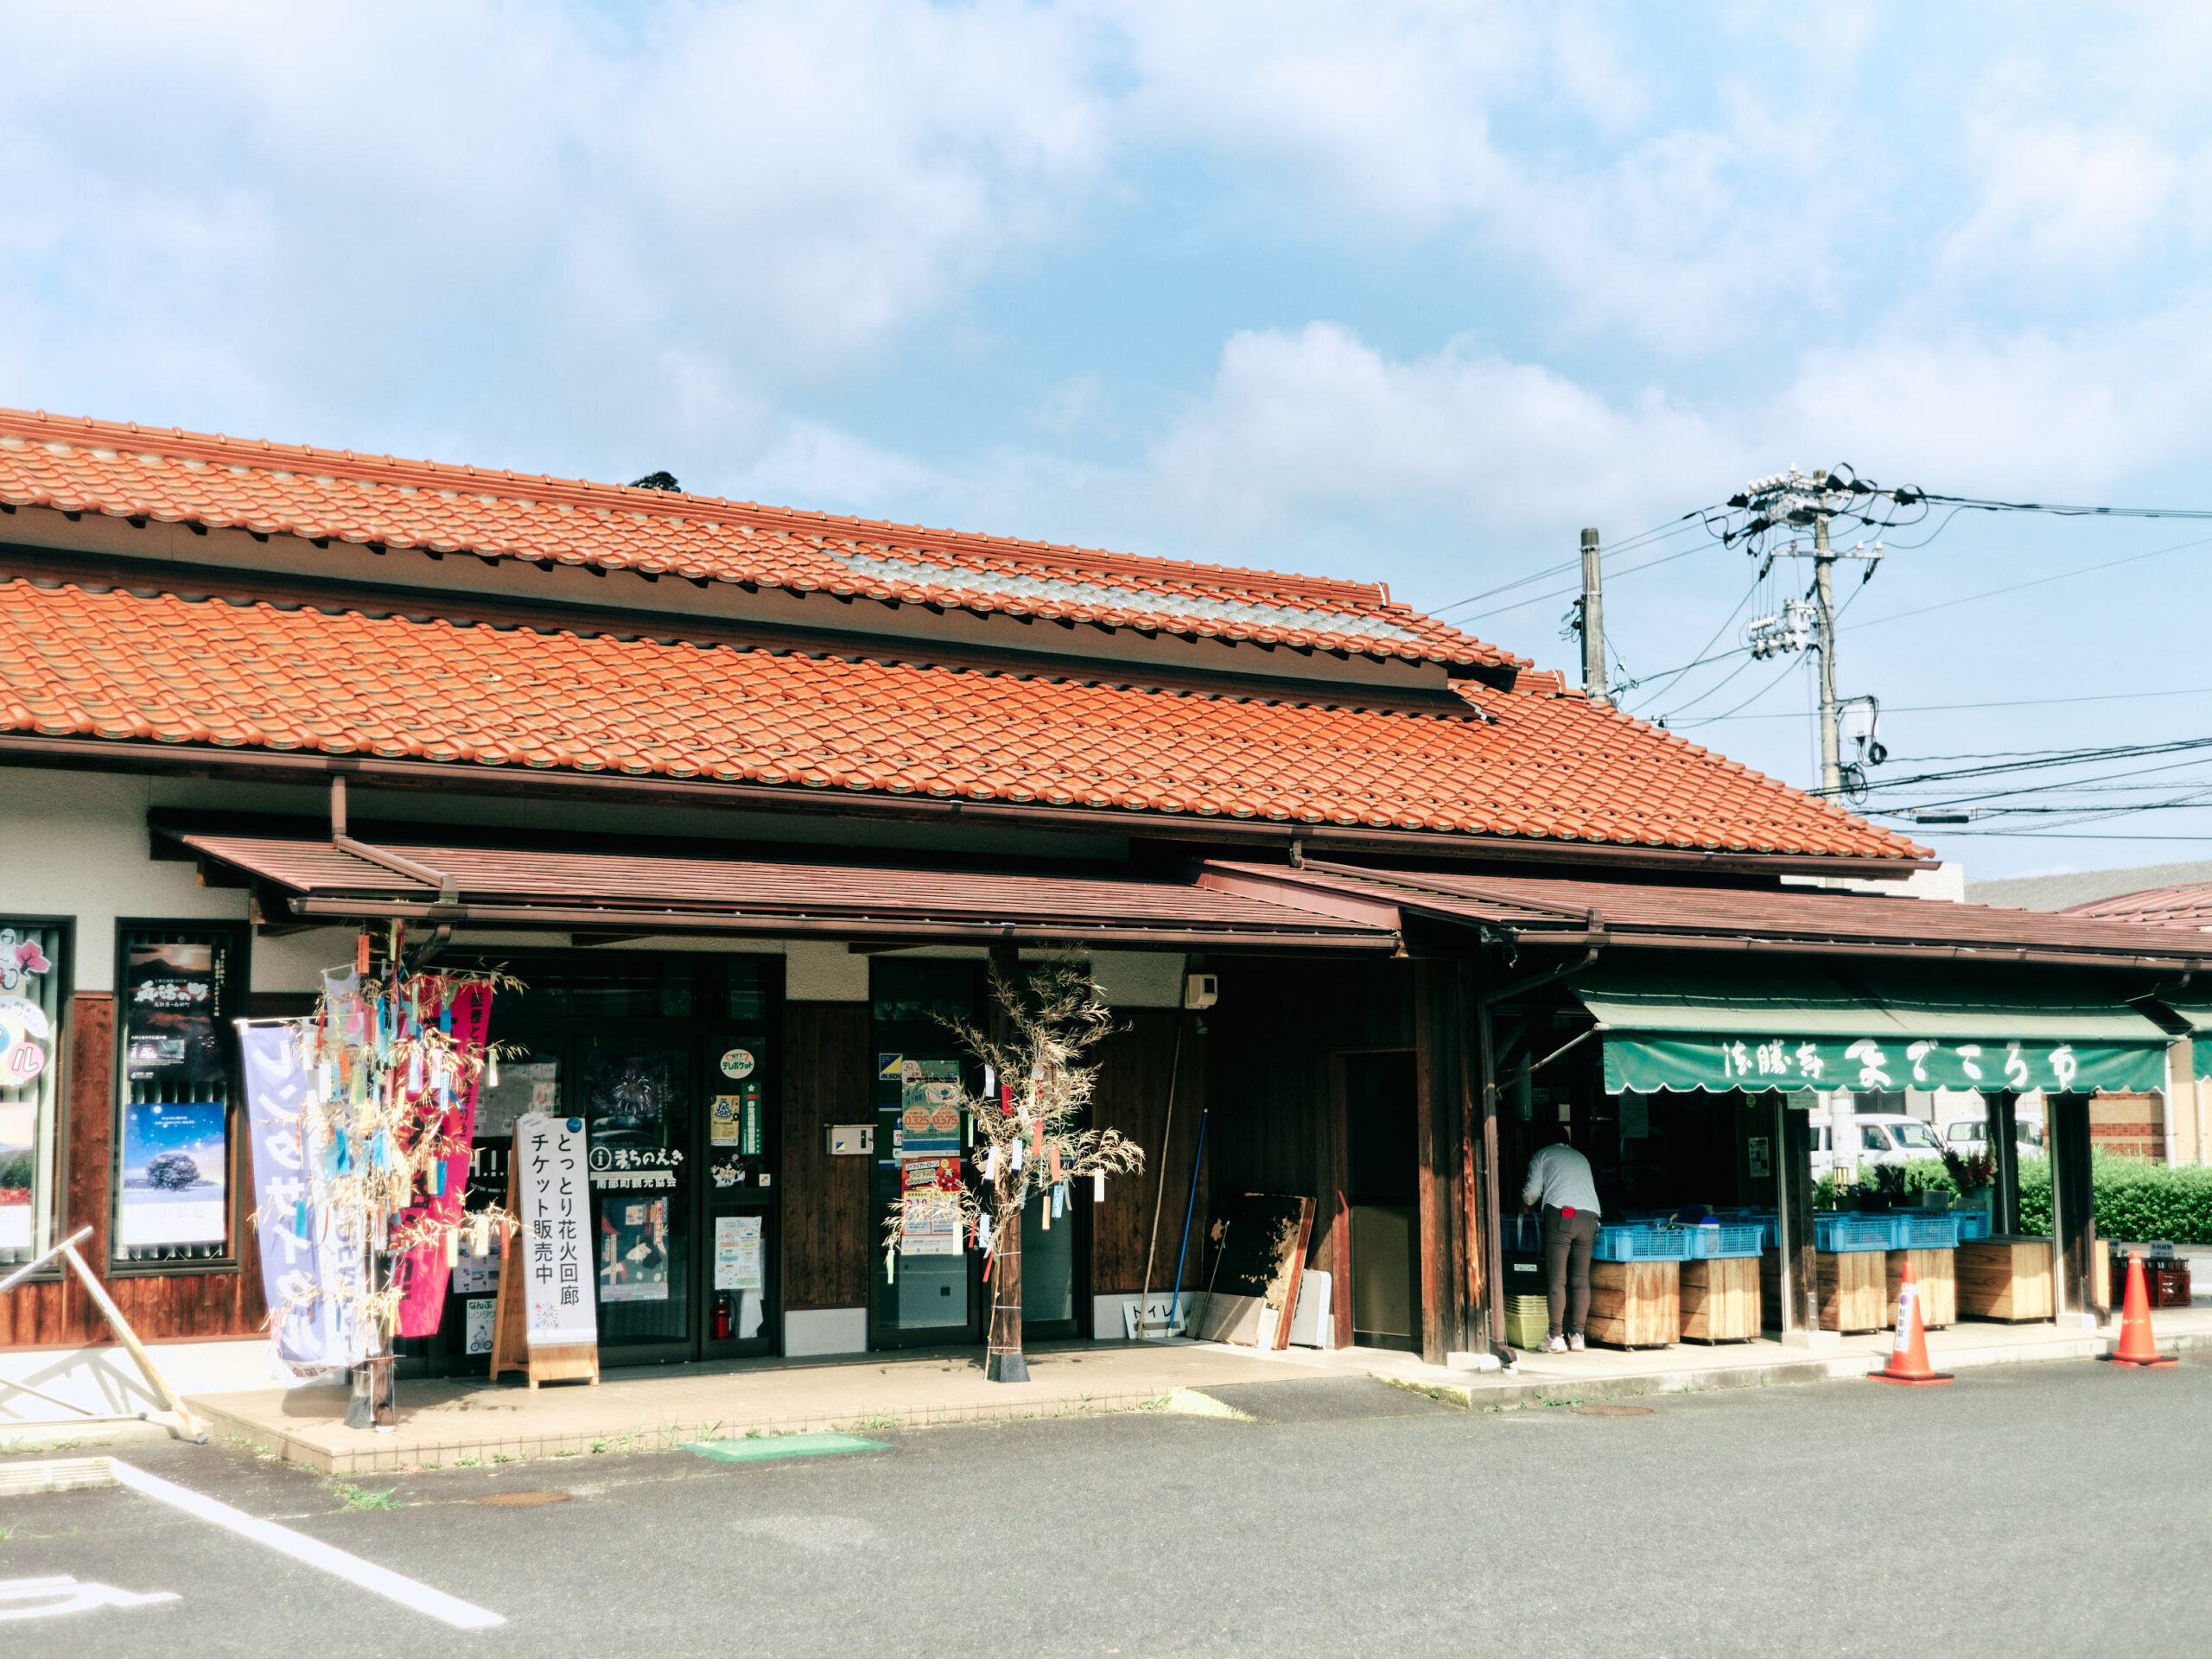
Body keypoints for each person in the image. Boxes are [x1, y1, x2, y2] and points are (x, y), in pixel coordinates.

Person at [1521, 1124, 1602, 1353]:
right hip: (1591, 1217)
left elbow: (1531, 1193)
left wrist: (1524, 1206)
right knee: (1580, 1278)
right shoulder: (1580, 1157)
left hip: (1563, 1214)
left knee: (1557, 1279)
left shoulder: (1543, 1154)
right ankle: (1578, 1336)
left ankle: (1555, 1336)